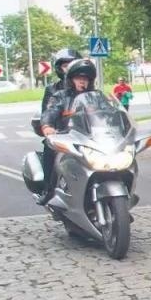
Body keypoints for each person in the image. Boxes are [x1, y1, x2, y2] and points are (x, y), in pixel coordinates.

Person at [38, 59, 98, 202]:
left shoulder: (97, 97)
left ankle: (120, 198)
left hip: (92, 138)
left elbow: (110, 113)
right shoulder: (61, 96)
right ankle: (48, 189)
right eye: (79, 78)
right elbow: (50, 111)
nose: (82, 82)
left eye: (85, 79)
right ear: (71, 80)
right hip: (67, 136)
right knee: (49, 148)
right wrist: (48, 126)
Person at [40, 49, 79, 116]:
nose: (69, 68)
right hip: (61, 125)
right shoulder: (52, 89)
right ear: (59, 68)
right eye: (65, 66)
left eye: (72, 65)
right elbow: (46, 115)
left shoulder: (88, 86)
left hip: (84, 125)